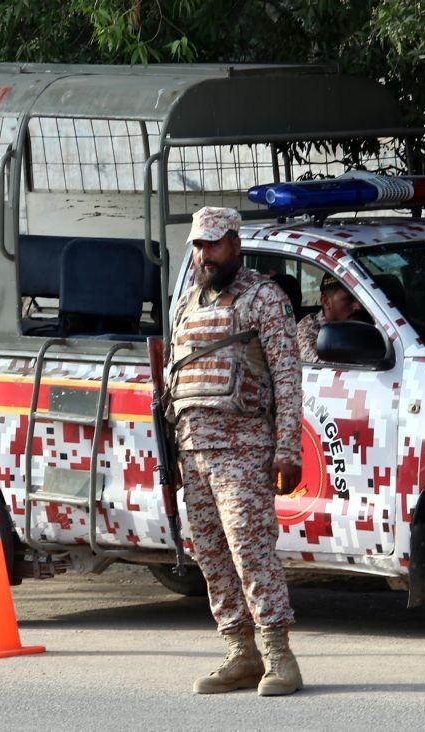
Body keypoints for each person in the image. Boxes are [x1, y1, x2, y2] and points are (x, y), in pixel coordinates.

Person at [167, 206, 303, 696]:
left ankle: (278, 655)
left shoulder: (263, 299)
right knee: (210, 553)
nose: (205, 254)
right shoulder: (186, 304)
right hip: (194, 449)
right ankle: (240, 653)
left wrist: (287, 447)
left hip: (243, 448)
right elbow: (175, 378)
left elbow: (288, 377)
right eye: (199, 246)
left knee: (250, 547)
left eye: (214, 244)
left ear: (235, 244)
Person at [296, 273, 366, 362]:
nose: (358, 307)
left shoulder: (366, 321)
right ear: (326, 302)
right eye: (349, 299)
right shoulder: (308, 331)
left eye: (361, 299)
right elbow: (325, 368)